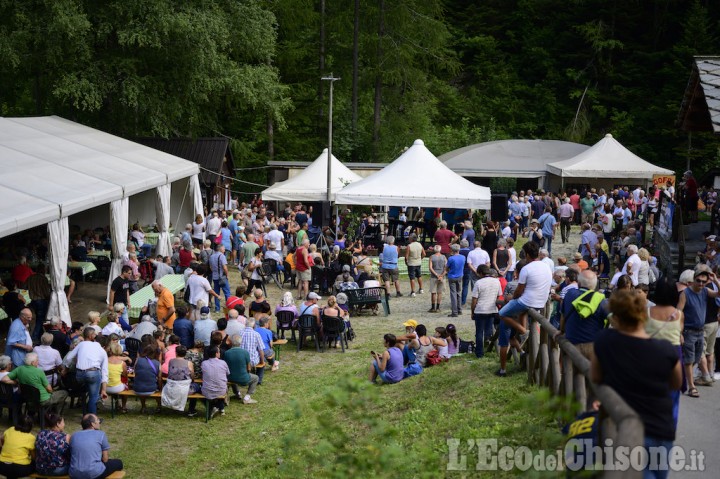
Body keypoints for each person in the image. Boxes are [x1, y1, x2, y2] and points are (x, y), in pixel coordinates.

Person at [591, 289, 681, 479]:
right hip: (660, 426)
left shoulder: (604, 341)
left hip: (623, 424)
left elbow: (596, 376)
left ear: (615, 315)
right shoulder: (665, 350)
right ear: (643, 314)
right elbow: (676, 383)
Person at [496, 241, 552, 377]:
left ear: (527, 254)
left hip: (527, 301)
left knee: (502, 313)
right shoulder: (546, 266)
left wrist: (514, 299)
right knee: (522, 314)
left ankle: (523, 331)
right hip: (541, 302)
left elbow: (519, 291)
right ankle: (523, 335)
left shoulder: (526, 268)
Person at [677, 265, 720, 397]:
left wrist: (715, 280)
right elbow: (678, 312)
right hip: (689, 332)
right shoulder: (685, 294)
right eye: (698, 281)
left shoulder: (705, 291)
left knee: (695, 359)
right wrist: (679, 333)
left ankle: (683, 377)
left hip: (700, 331)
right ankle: (691, 387)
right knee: (690, 360)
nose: (701, 283)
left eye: (703, 281)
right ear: (694, 279)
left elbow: (719, 294)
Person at [61, 328, 108, 415]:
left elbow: (68, 357)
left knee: (89, 386)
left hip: (80, 375)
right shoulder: (101, 350)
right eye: (94, 334)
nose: (95, 336)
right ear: (90, 336)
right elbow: (105, 370)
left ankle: (87, 399)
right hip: (93, 373)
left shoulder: (81, 345)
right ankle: (92, 417)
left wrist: (66, 369)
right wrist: (104, 389)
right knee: (93, 395)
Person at [2, 351, 68, 412]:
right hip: (42, 399)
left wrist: (16, 382)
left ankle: (47, 413)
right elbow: (49, 389)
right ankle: (56, 415)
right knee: (64, 393)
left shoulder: (19, 369)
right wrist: (51, 392)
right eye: (37, 360)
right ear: (33, 362)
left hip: (28, 398)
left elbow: (4, 379)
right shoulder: (39, 371)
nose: (38, 362)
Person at [69, 414, 123, 479]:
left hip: (74, 474)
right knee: (119, 463)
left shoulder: (74, 436)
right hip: (94, 473)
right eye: (98, 420)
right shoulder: (101, 434)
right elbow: (105, 459)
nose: (99, 422)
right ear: (93, 424)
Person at [470, 265, 502, 358]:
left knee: (479, 332)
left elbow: (474, 299)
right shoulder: (497, 281)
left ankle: (479, 353)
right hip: (492, 309)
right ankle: (489, 343)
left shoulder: (478, 283)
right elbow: (498, 296)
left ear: (480, 273)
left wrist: (472, 311)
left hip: (480, 310)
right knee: (489, 330)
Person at [225, 335, 260, 404]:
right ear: (240, 343)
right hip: (242, 378)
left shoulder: (227, 353)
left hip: (229, 377)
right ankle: (247, 397)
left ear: (231, 342)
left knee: (233, 376)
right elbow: (249, 368)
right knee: (256, 378)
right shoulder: (245, 352)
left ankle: (237, 393)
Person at [34, 412, 71, 476]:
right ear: (58, 424)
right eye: (63, 422)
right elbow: (70, 455)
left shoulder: (41, 433)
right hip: (57, 470)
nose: (64, 425)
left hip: (40, 468)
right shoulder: (65, 437)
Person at [0, 415, 35, 479]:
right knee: (36, 464)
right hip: (20, 468)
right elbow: (34, 457)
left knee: (11, 470)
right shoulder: (31, 438)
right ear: (31, 426)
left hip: (2, 465)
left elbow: (1, 440)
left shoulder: (10, 430)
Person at [201, 346, 230, 419]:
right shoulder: (223, 363)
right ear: (216, 353)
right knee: (223, 386)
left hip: (207, 391)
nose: (220, 353)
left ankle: (214, 407)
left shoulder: (204, 363)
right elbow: (228, 373)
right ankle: (218, 407)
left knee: (200, 389)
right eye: (219, 352)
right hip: (221, 390)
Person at [446, 243, 464, 317]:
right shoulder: (463, 257)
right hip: (460, 276)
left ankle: (454, 312)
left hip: (452, 277)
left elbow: (447, 267)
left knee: (453, 294)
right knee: (459, 293)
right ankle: (459, 309)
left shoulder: (451, 258)